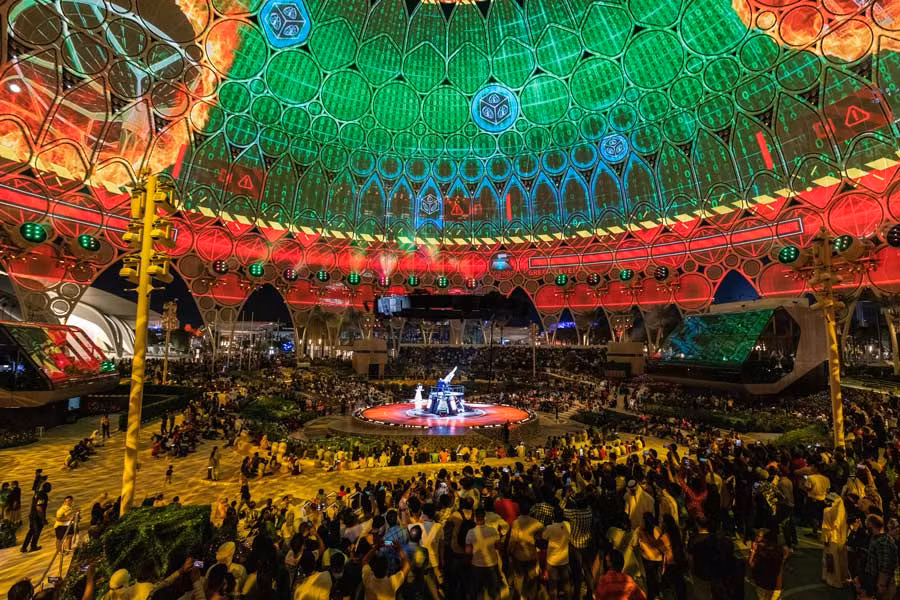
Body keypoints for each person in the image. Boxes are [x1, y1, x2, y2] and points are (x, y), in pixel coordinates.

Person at [466, 507, 502, 599]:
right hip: (492, 564)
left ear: (475, 518)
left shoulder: (471, 532)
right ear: (484, 518)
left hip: (476, 565)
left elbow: (468, 551)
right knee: (493, 591)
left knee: (478, 591)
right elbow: (498, 547)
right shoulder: (493, 531)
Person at [859, 514, 897, 600]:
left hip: (878, 580)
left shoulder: (883, 541)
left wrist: (881, 584)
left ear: (871, 524)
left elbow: (885, 565)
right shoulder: (876, 538)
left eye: (867, 524)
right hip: (873, 578)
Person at [747, 528, 789, 600]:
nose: (756, 538)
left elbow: (751, 564)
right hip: (776, 586)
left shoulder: (762, 552)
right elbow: (786, 554)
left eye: (759, 536)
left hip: (764, 585)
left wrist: (753, 551)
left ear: (765, 539)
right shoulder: (779, 550)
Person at [821, 492, 849, 588]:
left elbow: (826, 527)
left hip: (831, 537)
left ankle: (832, 579)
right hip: (840, 538)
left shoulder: (827, 511)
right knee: (840, 559)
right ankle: (842, 578)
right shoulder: (843, 512)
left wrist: (825, 539)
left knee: (831, 559)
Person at [21, 481, 50, 553]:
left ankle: (24, 547)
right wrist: (43, 519)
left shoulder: (37, 493)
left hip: (32, 515)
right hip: (37, 517)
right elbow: (39, 507)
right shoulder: (43, 495)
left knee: (31, 531)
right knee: (36, 532)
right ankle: (33, 546)